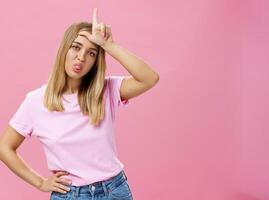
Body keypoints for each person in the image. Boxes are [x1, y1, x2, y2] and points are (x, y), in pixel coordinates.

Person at [0, 8, 159, 200]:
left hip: (114, 191)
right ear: (64, 49)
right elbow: (4, 147)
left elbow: (149, 78)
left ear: (96, 61)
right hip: (70, 195)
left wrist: (108, 45)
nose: (81, 57)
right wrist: (40, 182)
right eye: (76, 47)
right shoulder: (36, 101)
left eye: (91, 53)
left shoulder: (106, 90)